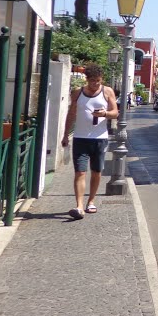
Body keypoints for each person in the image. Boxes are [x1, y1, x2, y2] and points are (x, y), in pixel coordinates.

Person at [61, 63, 118, 220]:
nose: (95, 84)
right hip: (80, 138)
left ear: (101, 79)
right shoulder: (78, 93)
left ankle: (91, 201)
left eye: (98, 81)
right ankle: (79, 206)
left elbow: (115, 113)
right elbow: (71, 114)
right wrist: (66, 134)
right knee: (80, 172)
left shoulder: (107, 92)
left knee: (97, 172)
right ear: (87, 79)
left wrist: (105, 113)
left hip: (100, 139)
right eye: (92, 81)